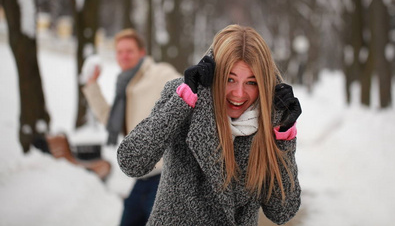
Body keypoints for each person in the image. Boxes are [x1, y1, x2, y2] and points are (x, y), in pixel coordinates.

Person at [117, 24, 302, 226]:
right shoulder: (185, 97)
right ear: (216, 74)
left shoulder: (268, 120)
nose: (239, 93)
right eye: (230, 79)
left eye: (251, 82)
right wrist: (181, 103)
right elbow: (131, 161)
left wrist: (284, 136)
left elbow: (282, 212)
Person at [82, 28, 180, 226]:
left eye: (129, 51)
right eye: (120, 51)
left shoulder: (159, 73)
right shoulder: (125, 85)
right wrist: (92, 85)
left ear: (142, 53)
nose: (124, 56)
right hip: (142, 178)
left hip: (166, 177)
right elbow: (111, 121)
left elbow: (185, 91)